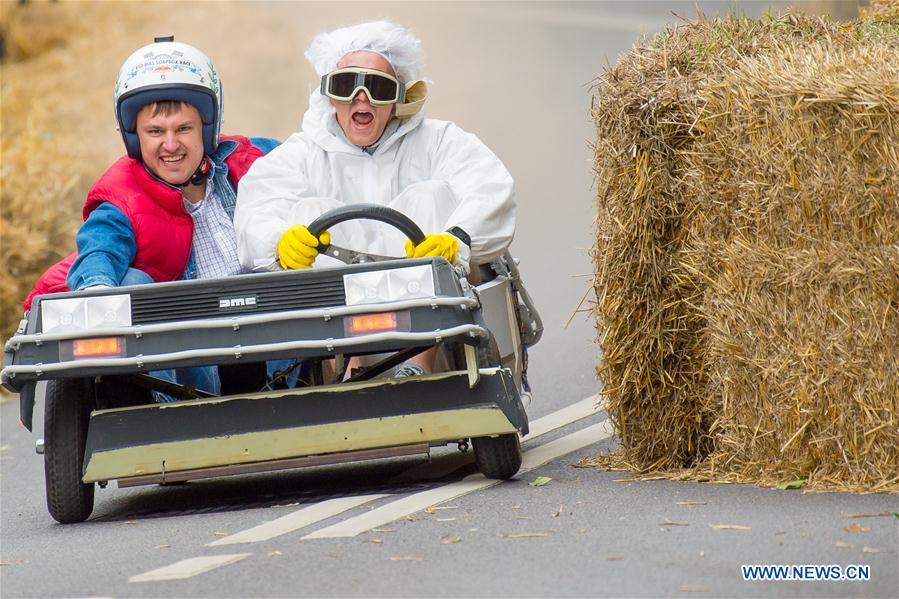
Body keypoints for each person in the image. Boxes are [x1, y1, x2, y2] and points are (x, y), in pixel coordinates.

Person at [234, 21, 515, 375]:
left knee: (430, 196)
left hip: (435, 324)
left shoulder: (440, 140)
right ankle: (348, 368)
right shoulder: (301, 154)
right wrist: (278, 242)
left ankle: (416, 365)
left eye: (377, 87)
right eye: (346, 85)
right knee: (310, 214)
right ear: (329, 94)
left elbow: (490, 189)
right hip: (337, 326)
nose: (360, 99)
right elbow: (256, 210)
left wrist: (455, 240)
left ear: (399, 97)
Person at [24, 36, 283, 395]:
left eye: (184, 129)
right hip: (192, 360)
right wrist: (98, 289)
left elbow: (312, 163)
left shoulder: (256, 160)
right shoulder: (120, 197)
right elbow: (99, 249)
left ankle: (305, 393)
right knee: (128, 284)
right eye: (155, 132)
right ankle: (173, 411)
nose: (171, 144)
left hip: (275, 342)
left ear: (208, 129)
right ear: (134, 138)